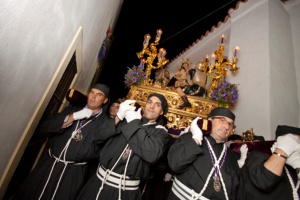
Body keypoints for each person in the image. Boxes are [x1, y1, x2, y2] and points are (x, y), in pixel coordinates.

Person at [13, 83, 111, 200]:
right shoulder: (72, 110)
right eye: (92, 92)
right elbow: (45, 128)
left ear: (105, 100)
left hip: (73, 173)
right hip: (49, 164)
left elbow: (101, 152)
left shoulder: (105, 123)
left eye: (99, 95)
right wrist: (72, 117)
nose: (93, 97)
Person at [77, 93, 170, 200]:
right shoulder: (124, 120)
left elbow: (152, 155)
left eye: (157, 105)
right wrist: (118, 117)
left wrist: (134, 122)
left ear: (162, 111)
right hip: (97, 182)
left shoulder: (160, 133)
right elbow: (97, 137)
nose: (152, 106)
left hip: (125, 192)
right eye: (150, 102)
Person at [167, 107, 244, 199]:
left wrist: (238, 168)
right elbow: (175, 164)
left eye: (230, 124)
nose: (227, 127)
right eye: (222, 120)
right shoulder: (189, 138)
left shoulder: (232, 156)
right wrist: (196, 139)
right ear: (210, 120)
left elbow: (235, 192)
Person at [240, 125, 300, 200]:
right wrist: (282, 152)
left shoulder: (294, 161)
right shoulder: (257, 156)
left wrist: (298, 166)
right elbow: (264, 181)